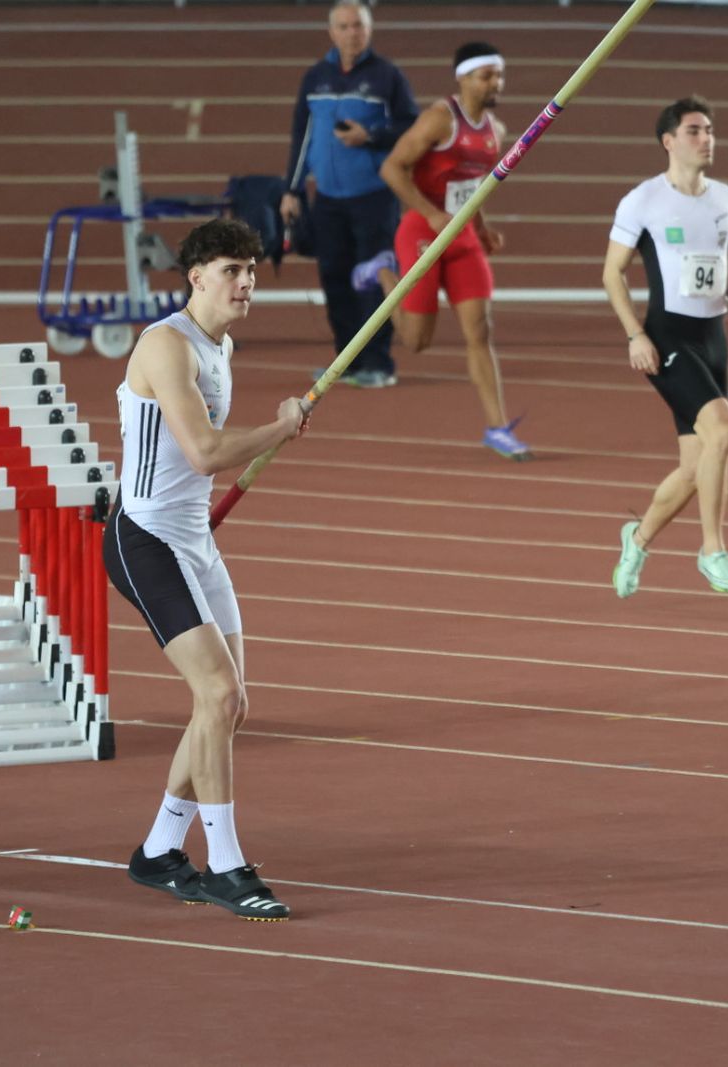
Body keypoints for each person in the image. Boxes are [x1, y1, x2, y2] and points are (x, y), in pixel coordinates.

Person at [105, 218, 312, 921]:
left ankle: (161, 849)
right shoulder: (166, 345)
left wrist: (274, 429)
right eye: (232, 269)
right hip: (144, 539)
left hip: (193, 541)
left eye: (251, 269)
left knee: (229, 705)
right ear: (195, 277)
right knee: (218, 696)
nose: (246, 281)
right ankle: (226, 865)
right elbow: (202, 451)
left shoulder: (220, 345)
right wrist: (282, 427)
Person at [601, 96, 728, 597]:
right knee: (723, 431)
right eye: (695, 130)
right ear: (669, 141)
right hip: (666, 335)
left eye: (710, 129)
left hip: (713, 336)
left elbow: (726, 258)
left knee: (697, 467)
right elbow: (612, 274)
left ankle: (638, 538)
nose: (706, 138)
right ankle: (713, 550)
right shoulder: (642, 201)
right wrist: (636, 335)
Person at [351, 41, 531, 460]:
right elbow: (391, 168)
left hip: (462, 235)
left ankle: (497, 428)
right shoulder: (438, 120)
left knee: (480, 332)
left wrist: (483, 229)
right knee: (416, 342)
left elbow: (476, 185)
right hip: (421, 232)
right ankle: (382, 271)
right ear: (463, 78)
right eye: (487, 76)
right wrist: (430, 215)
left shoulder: (496, 132)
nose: (495, 83)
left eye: (499, 75)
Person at [281, 0, 418, 388]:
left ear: (369, 29)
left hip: (374, 197)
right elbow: (302, 136)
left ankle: (378, 363)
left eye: (357, 25)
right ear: (331, 32)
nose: (351, 33)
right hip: (327, 199)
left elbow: (412, 126)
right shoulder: (316, 78)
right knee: (334, 277)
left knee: (372, 279)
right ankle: (346, 361)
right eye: (343, 26)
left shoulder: (386, 77)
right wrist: (292, 189)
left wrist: (369, 136)